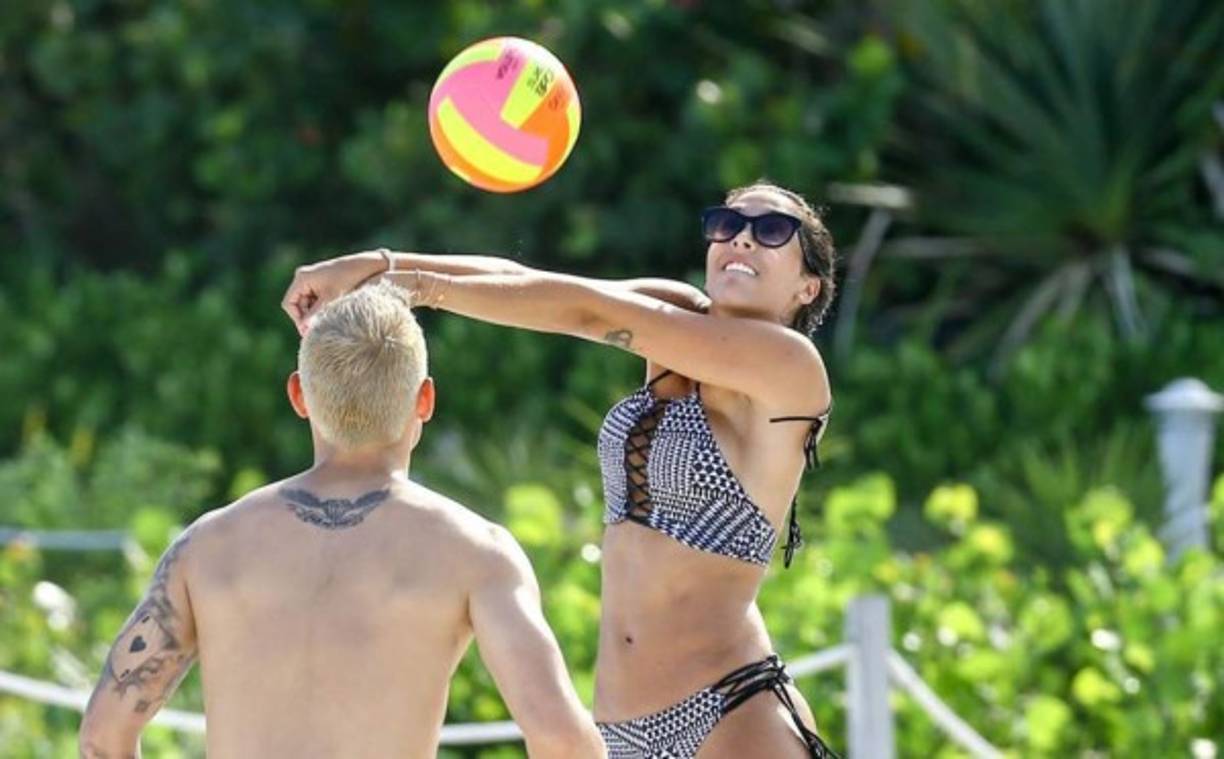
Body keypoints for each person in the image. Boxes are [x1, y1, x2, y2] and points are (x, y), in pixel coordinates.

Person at [282, 180, 840, 758]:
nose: (742, 239)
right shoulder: (673, 316)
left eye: (771, 231)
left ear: (808, 286)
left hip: (730, 710)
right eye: (727, 224)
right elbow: (529, 284)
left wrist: (415, 287)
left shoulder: (790, 366)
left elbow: (587, 312)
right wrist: (378, 263)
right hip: (619, 728)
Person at [79, 282, 605, 759]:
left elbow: (104, 737)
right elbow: (561, 742)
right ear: (425, 400)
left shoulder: (207, 546)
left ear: (299, 397)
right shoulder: (474, 553)